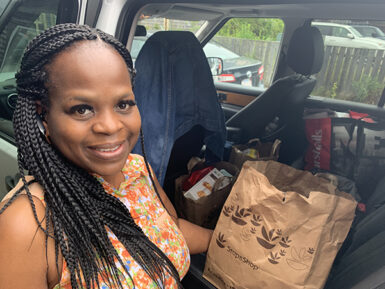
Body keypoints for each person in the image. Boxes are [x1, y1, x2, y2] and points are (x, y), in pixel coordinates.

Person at [0, 23, 213, 289]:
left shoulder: (138, 169)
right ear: (43, 115)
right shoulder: (29, 223)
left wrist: (223, 241)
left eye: (123, 104)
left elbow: (169, 230)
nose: (111, 126)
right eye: (82, 109)